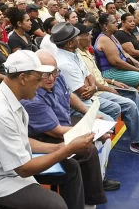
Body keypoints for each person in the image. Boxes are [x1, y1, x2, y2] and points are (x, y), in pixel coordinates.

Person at [0, 50, 98, 209]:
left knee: (71, 168)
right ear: (23, 78)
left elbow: (22, 139)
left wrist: (57, 147)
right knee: (55, 205)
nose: (40, 85)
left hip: (11, 168)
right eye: (38, 79)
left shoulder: (13, 99)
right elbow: (24, 169)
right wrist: (66, 150)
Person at [22, 50, 120, 195]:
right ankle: (91, 194)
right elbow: (56, 131)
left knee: (104, 132)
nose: (51, 78)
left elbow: (69, 96)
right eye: (46, 74)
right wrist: (92, 132)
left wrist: (89, 115)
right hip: (46, 134)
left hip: (63, 122)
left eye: (54, 72)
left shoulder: (56, 76)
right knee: (88, 148)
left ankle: (97, 179)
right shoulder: (32, 99)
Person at [75, 23, 139, 156]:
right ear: (78, 38)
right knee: (129, 104)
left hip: (104, 84)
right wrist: (108, 88)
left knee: (133, 93)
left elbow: (97, 75)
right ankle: (137, 142)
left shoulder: (86, 51)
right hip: (98, 90)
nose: (90, 36)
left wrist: (113, 82)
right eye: (87, 35)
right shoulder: (78, 56)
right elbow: (90, 82)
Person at [93, 14, 139, 112]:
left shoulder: (111, 36)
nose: (117, 24)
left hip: (118, 68)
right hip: (110, 71)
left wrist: (137, 63)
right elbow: (117, 62)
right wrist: (136, 69)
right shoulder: (104, 39)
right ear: (105, 26)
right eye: (114, 22)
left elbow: (124, 53)